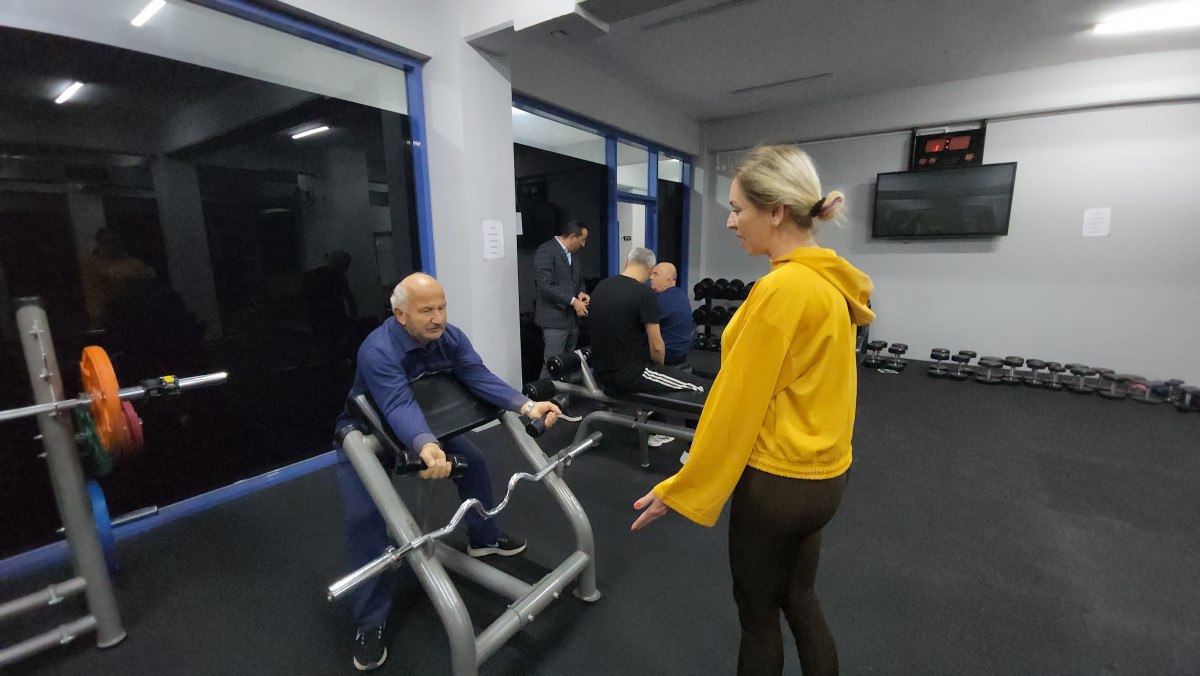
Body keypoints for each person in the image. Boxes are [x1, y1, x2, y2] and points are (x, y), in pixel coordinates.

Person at [630, 145, 875, 676]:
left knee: (757, 616)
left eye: (738, 208)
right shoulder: (830, 284)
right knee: (799, 598)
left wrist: (682, 486)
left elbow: (734, 406)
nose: (730, 221)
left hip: (778, 486)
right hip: (825, 480)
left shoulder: (781, 290)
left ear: (777, 211)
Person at [334, 272, 562, 671]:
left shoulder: (449, 337)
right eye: (427, 310)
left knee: (474, 464)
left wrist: (526, 406)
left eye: (441, 307)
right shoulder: (377, 350)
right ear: (401, 314)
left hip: (422, 427)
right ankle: (369, 623)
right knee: (365, 521)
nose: (438, 317)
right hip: (366, 436)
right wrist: (426, 445)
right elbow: (397, 403)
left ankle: (484, 538)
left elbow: (477, 375)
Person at [533, 221, 590, 376]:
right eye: (582, 239)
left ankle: (563, 393)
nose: (583, 244)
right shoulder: (546, 251)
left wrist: (581, 293)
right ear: (572, 237)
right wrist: (573, 301)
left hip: (572, 320)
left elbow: (578, 279)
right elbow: (545, 286)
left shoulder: (574, 254)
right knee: (553, 364)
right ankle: (541, 392)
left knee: (568, 364)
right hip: (554, 320)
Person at [304, 250, 358, 362]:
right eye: (344, 265)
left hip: (323, 318)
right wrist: (353, 316)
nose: (345, 269)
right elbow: (349, 297)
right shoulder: (338, 277)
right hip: (332, 318)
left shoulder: (314, 275)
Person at [648, 262, 693, 367]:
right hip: (682, 352)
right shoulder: (680, 294)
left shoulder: (664, 300)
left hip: (669, 354)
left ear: (667, 280)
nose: (651, 277)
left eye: (655, 274)